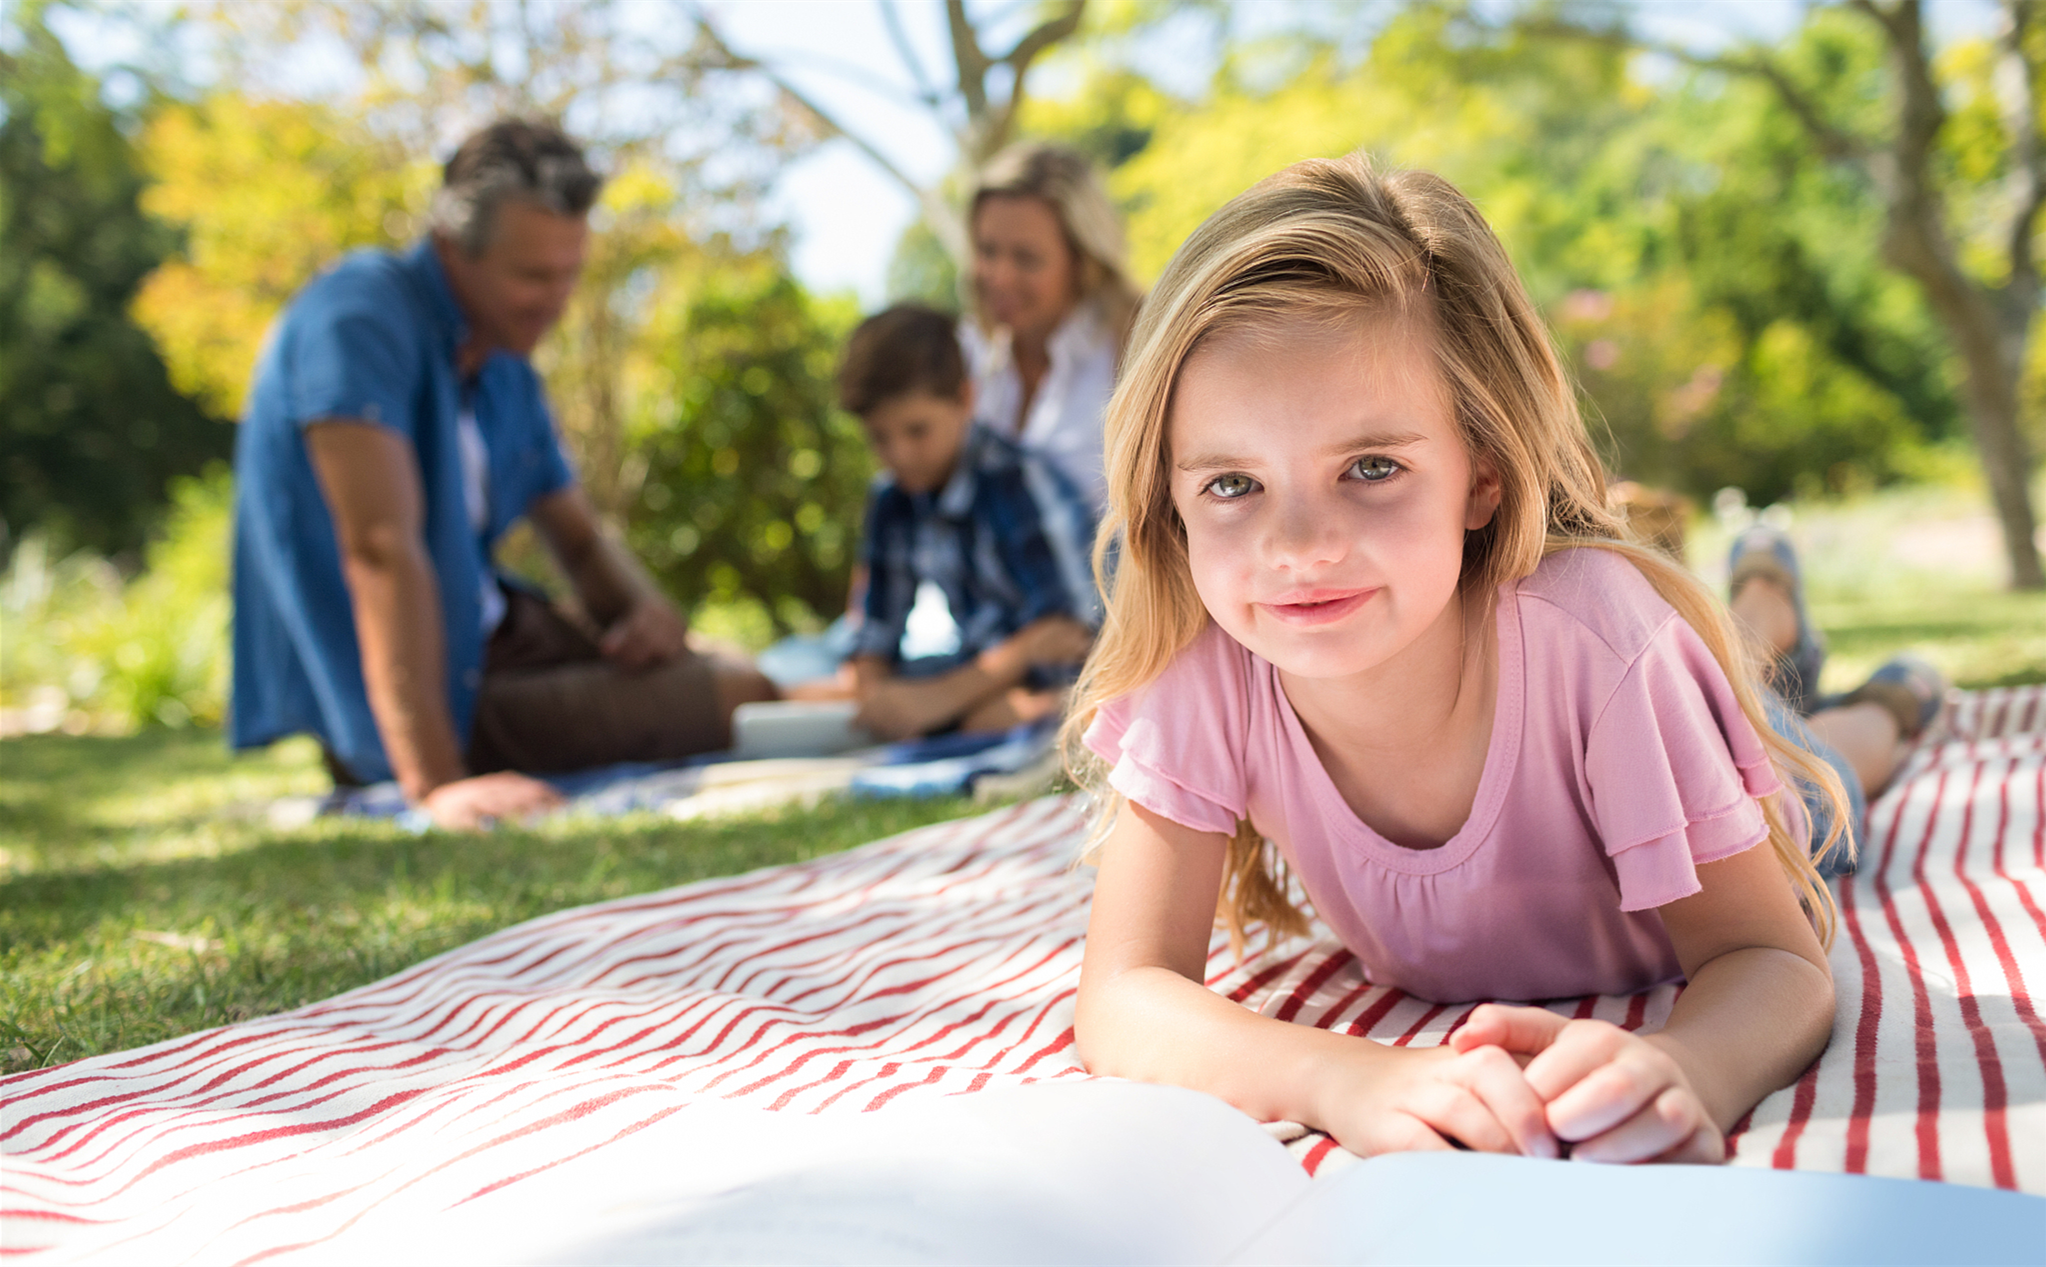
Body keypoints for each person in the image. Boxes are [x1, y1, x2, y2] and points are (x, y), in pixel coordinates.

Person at [1063, 153, 1878, 1167]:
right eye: (1234, 483)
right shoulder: (1206, 665)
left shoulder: (1602, 641)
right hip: (1649, 719)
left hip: (1710, 768)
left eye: (1371, 468)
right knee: (1776, 696)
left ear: (1481, 480)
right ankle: (1769, 611)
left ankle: (1816, 636)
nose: (1300, 545)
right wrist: (1345, 1075)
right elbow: (1125, 995)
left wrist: (1688, 1066)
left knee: (1828, 760)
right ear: (1172, 500)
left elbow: (1772, 958)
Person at [231, 119, 773, 830]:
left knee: (737, 671)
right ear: (453, 248)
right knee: (738, 692)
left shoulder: (507, 367)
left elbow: (578, 539)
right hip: (430, 696)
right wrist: (434, 783)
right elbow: (379, 548)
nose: (557, 300)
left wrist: (645, 613)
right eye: (532, 276)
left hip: (508, 641)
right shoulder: (359, 318)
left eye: (571, 273)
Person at [835, 305, 1100, 741]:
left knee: (1021, 712)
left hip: (1065, 679)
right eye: (880, 437)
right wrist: (879, 695)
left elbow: (1074, 639)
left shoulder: (1018, 486)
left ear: (965, 400)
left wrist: (937, 701)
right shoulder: (891, 501)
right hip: (982, 673)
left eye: (917, 431)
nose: (899, 455)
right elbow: (873, 638)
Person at [962, 141, 1142, 511]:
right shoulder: (963, 356)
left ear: (1081, 259)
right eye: (987, 251)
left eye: (1026, 258)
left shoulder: (1138, 343)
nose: (1000, 277)